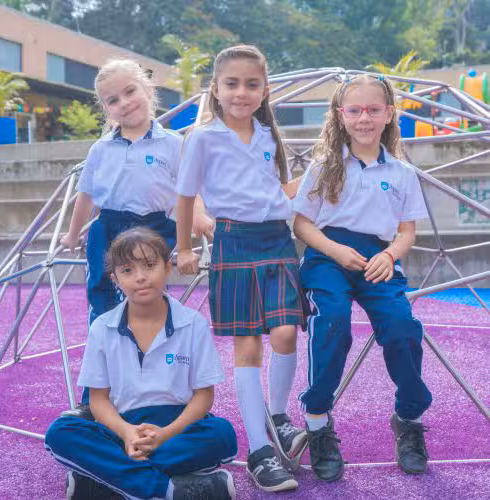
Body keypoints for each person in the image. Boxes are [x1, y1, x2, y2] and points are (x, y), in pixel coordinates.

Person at [176, 45, 306, 493]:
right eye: (231, 84)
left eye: (252, 84)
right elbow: (185, 197)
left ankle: (278, 416)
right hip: (233, 241)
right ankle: (259, 450)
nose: (241, 92)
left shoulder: (268, 134)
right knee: (247, 345)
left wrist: (323, 175)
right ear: (215, 88)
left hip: (277, 239)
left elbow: (276, 189)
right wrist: (185, 247)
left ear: (264, 90)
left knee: (286, 332)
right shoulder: (202, 138)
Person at [293, 74, 432, 481]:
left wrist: (389, 255)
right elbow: (302, 224)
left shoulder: (402, 172)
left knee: (402, 328)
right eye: (354, 110)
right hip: (328, 257)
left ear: (389, 114)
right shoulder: (324, 166)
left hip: (379, 259)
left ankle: (408, 418)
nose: (364, 118)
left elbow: (406, 232)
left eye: (373, 110)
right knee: (332, 321)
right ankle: (318, 422)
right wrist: (335, 250)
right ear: (341, 115)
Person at [60, 58, 212, 411]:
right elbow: (86, 196)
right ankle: (95, 398)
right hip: (109, 229)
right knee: (103, 310)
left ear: (148, 90)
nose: (124, 103)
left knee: (147, 306)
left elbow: (188, 190)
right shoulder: (101, 148)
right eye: (113, 100)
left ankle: (155, 392)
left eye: (130, 91)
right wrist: (71, 234)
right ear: (106, 109)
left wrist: (199, 217)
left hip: (154, 229)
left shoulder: (173, 143)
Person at [45, 228, 237, 500]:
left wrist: (164, 435)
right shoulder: (102, 327)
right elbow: (98, 400)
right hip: (122, 428)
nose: (140, 277)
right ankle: (167, 491)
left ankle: (105, 482)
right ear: (115, 279)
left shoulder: (193, 324)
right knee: (60, 432)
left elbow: (204, 396)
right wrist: (127, 434)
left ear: (167, 267)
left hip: (177, 428)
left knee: (222, 435)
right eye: (127, 270)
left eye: (149, 265)